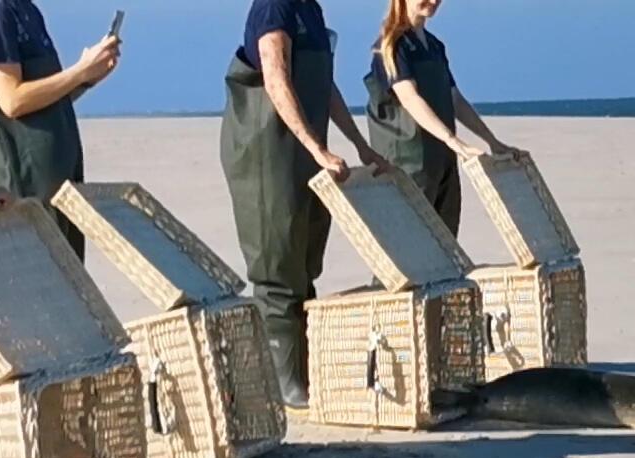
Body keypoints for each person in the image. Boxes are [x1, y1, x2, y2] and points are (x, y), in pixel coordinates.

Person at [221, 0, 390, 411]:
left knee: (305, 257)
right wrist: (317, 147)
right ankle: (279, 380)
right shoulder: (273, 8)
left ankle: (301, 369)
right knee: (277, 257)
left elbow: (323, 87)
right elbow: (276, 78)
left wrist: (359, 143)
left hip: (305, 150)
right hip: (267, 147)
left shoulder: (310, 11)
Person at [0, 1, 119, 258]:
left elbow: (45, 102)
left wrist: (88, 77)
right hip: (26, 189)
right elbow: (12, 101)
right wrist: (79, 71)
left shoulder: (28, 10)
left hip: (60, 188)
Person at [363, 0, 519, 235]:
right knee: (410, 241)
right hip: (408, 161)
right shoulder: (391, 46)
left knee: (445, 242)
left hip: (442, 160)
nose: (434, 1)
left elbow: (455, 99)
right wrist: (453, 140)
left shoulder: (434, 46)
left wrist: (492, 141)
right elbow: (409, 98)